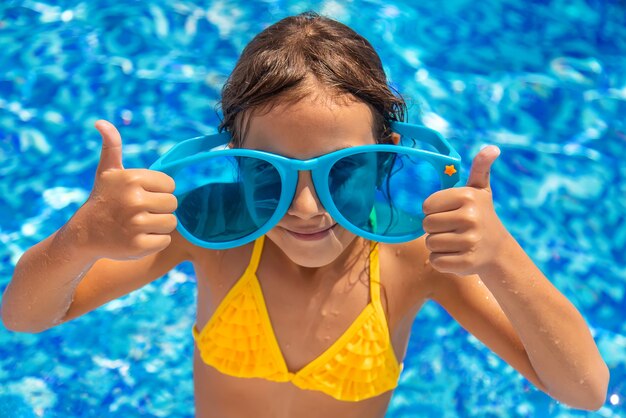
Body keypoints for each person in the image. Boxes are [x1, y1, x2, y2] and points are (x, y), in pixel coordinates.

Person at [0, 11, 609, 418]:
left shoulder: (413, 262)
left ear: (385, 159)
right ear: (236, 162)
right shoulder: (211, 235)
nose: (306, 207)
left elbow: (583, 391)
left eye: (343, 169)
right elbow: (26, 318)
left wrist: (501, 257)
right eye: (269, 171)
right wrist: (79, 239)